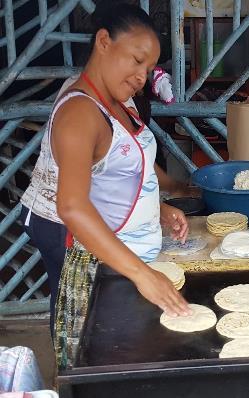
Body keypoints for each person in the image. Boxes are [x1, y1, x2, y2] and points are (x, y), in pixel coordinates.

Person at [19, 3, 192, 369]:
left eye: (149, 68)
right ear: (103, 41)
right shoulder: (80, 112)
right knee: (82, 320)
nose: (142, 75)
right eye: (136, 59)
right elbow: (72, 206)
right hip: (63, 227)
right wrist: (143, 274)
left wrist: (155, 206)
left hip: (101, 224)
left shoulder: (121, 101)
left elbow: (119, 169)